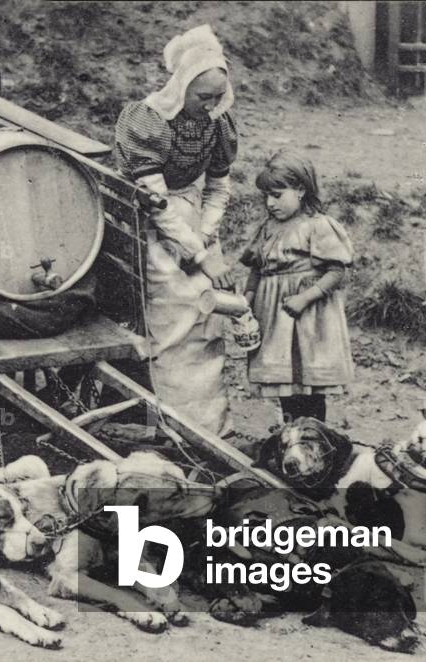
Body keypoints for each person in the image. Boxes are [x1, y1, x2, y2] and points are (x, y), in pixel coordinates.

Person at [113, 24, 237, 436]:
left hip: (194, 220)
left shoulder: (218, 123)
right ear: (182, 86)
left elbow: (219, 185)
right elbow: (158, 205)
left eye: (219, 97)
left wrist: (207, 234)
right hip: (148, 224)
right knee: (176, 317)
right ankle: (173, 425)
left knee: (209, 318)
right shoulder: (147, 122)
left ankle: (209, 424)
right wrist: (196, 253)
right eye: (204, 97)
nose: (212, 106)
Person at [240, 152, 354, 423]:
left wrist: (305, 297)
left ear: (301, 189)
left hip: (307, 320)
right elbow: (257, 268)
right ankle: (290, 437)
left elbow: (336, 271)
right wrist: (247, 301)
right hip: (274, 321)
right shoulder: (269, 227)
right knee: (285, 387)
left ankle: (314, 436)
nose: (270, 203)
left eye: (277, 195)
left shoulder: (318, 225)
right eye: (266, 196)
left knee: (309, 388)